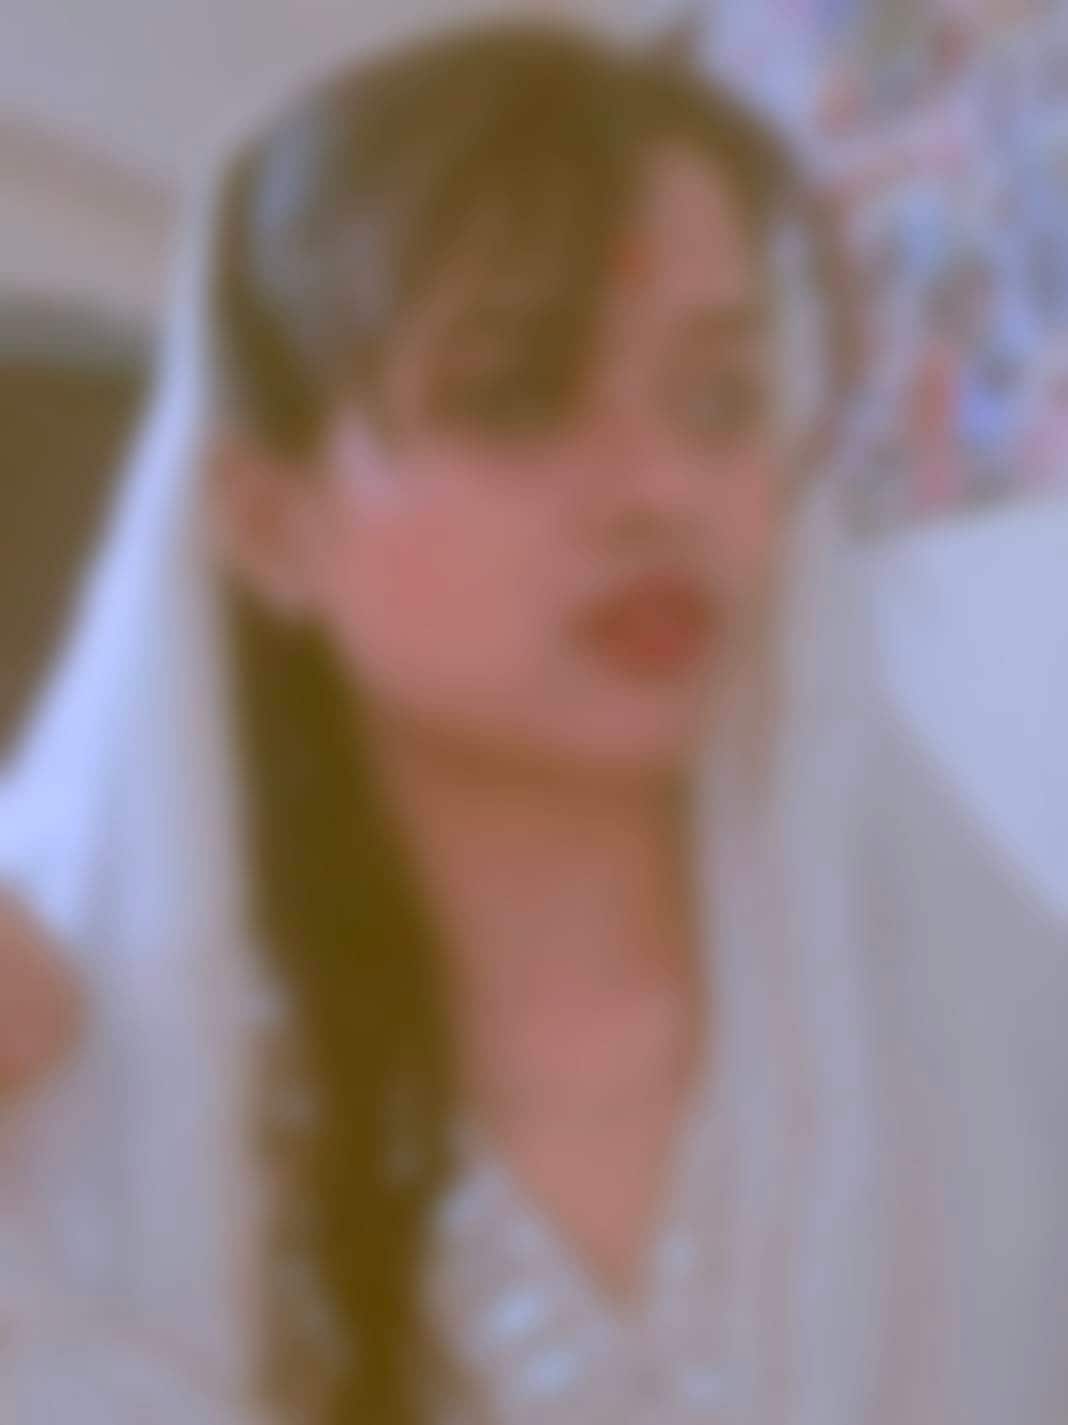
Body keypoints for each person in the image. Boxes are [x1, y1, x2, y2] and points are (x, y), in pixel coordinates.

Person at [1, 17, 1065, 1425]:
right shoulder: (107, 1118)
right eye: (514, 393)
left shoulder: (978, 1042)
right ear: (271, 523)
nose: (659, 490)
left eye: (718, 399)